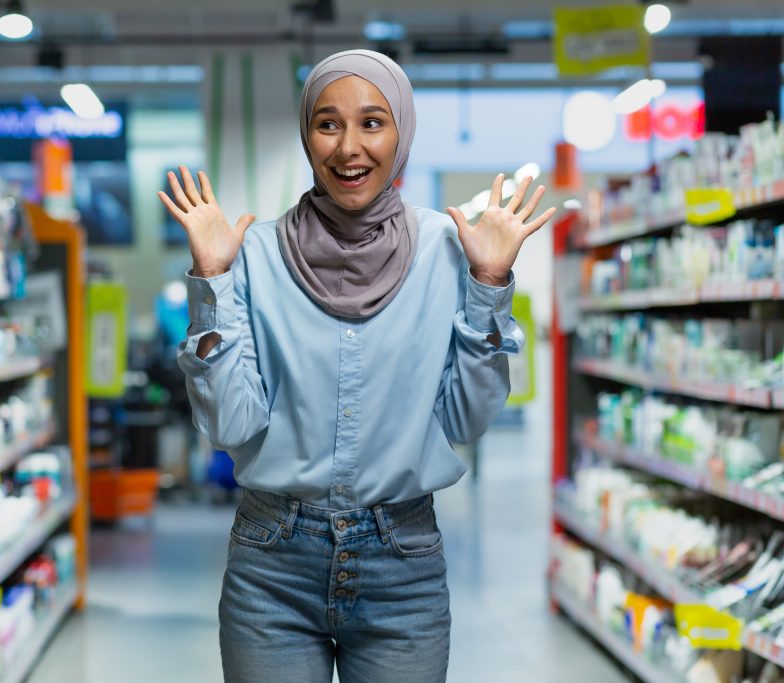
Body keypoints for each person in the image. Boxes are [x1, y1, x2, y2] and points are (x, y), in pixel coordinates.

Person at [158, 49, 555, 683]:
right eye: (327, 123)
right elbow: (231, 425)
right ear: (306, 135)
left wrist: (490, 282)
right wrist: (212, 280)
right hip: (272, 566)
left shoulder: (448, 251)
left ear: (402, 132)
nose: (350, 148)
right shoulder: (252, 252)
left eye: (373, 122)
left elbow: (466, 419)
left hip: (404, 563)